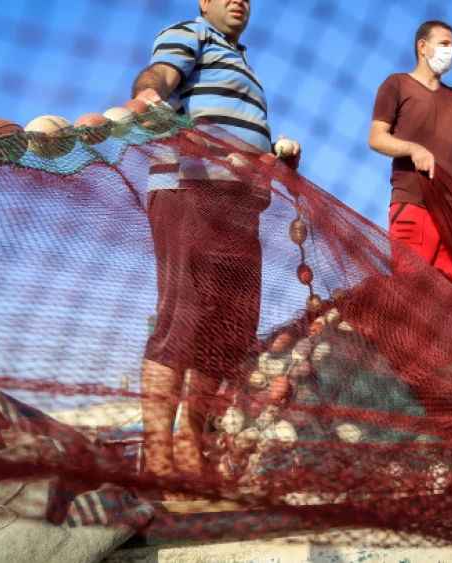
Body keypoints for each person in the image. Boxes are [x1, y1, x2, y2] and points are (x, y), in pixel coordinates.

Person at [129, 0, 303, 481]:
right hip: (190, 191)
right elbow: (162, 74)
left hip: (240, 206)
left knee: (226, 330)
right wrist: (146, 95)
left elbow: (237, 132)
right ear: (203, 1)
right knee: (182, 319)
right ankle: (158, 458)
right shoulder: (192, 33)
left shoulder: (243, 64)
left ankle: (190, 446)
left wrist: (276, 153)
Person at [368, 20, 452, 283]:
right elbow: (376, 138)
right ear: (422, 47)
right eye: (444, 44)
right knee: (415, 291)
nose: (451, 52)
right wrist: (413, 148)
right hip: (413, 205)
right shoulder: (397, 84)